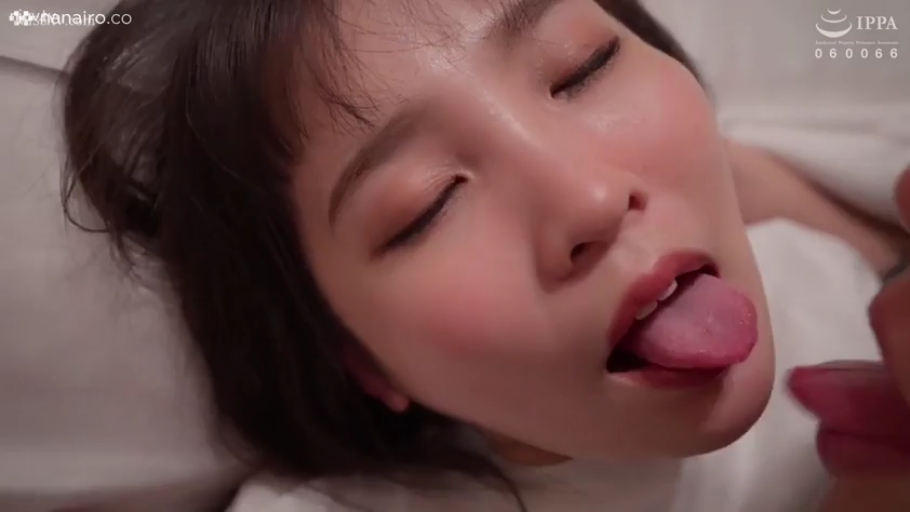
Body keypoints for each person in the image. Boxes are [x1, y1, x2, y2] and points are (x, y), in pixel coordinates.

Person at [59, 0, 907, 510]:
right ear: (361, 357)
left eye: (582, 68)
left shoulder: (822, 264)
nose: (589, 196)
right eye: (428, 205)